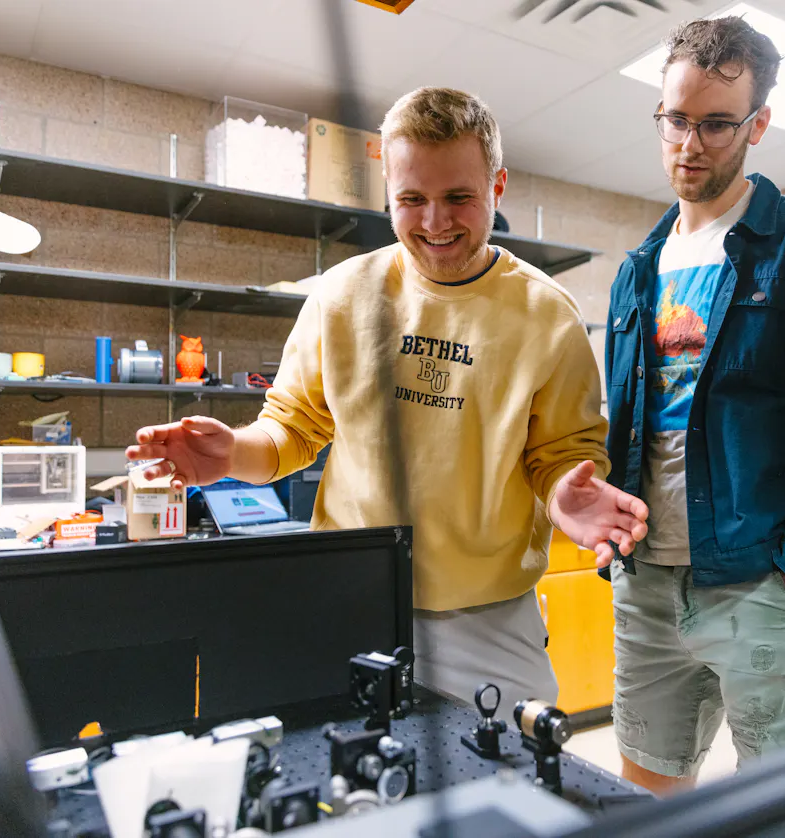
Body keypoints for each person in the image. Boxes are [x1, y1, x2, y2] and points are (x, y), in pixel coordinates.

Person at [125, 87, 649, 715]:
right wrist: (232, 452)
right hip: (348, 599)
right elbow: (292, 429)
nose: (435, 222)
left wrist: (565, 490)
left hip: (483, 616)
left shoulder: (547, 315)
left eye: (459, 197)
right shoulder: (344, 294)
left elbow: (562, 453)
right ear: (387, 194)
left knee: (508, 791)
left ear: (497, 187)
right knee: (348, 790)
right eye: (411, 200)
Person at [602, 17, 785, 794]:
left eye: (716, 123)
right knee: (645, 800)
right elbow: (631, 434)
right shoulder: (635, 273)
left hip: (766, 588)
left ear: (759, 123)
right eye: (675, 119)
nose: (689, 143)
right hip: (649, 590)